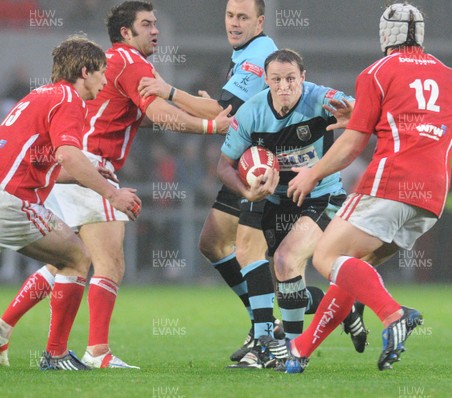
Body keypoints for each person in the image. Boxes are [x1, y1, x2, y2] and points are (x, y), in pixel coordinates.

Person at [0, 0, 231, 370]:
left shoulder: (107, 68)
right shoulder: (129, 61)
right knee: (107, 261)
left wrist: (206, 112)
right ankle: (95, 351)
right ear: (126, 32)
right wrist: (208, 127)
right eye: (147, 24)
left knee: (68, 259)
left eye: (156, 24)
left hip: (70, 170)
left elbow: (155, 110)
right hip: (89, 166)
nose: (155, 30)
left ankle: (6, 326)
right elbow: (157, 113)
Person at [265, 3, 452, 373]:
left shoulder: (377, 73)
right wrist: (425, 132)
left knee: (324, 258)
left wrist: (312, 174)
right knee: (354, 269)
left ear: (385, 35)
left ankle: (393, 315)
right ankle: (300, 350)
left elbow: (352, 144)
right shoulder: (451, 76)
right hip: (431, 198)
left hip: (390, 184)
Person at [139, 0, 357, 366]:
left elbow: (223, 113)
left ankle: (266, 334)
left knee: (254, 253)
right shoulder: (243, 53)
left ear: (260, 21)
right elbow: (228, 113)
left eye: (243, 17)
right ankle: (298, 315)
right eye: (229, 15)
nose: (234, 23)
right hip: (254, 164)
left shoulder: (260, 54)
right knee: (219, 244)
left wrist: (170, 92)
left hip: (264, 167)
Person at [218, 48, 368, 368]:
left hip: (320, 196)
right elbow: (223, 166)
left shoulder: (319, 99)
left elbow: (360, 108)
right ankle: (340, 307)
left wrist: (353, 113)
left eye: (291, 79)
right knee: (270, 269)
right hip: (272, 198)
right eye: (276, 80)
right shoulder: (251, 112)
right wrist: (247, 190)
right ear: (266, 81)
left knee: (285, 261)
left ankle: (292, 351)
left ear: (303, 77)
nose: (284, 86)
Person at [0, 35, 141, 370]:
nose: (105, 81)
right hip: (11, 201)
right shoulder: (70, 100)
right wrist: (113, 193)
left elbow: (43, 163)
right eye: (101, 73)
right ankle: (56, 354)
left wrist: (91, 172)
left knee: (64, 256)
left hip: (9, 195)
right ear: (84, 71)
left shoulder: (39, 95)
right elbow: (68, 155)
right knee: (77, 256)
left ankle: (6, 330)